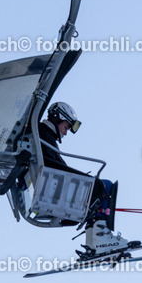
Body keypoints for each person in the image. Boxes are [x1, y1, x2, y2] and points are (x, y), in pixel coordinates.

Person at [38, 101, 128, 255]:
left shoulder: (40, 134)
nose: (65, 133)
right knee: (104, 186)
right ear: (57, 118)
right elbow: (53, 165)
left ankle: (93, 241)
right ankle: (100, 239)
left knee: (93, 197)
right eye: (66, 127)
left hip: (52, 188)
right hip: (54, 189)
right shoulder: (43, 133)